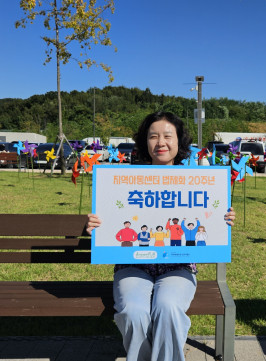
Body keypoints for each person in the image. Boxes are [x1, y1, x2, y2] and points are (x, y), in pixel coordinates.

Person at [86, 111, 236, 361]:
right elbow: (109, 219)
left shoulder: (199, 181)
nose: (161, 142)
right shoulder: (123, 181)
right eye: (153, 136)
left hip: (178, 266)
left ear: (179, 142)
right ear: (145, 142)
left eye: (168, 135)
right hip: (132, 265)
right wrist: (94, 225)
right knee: (133, 311)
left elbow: (208, 221)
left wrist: (224, 219)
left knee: (168, 308)